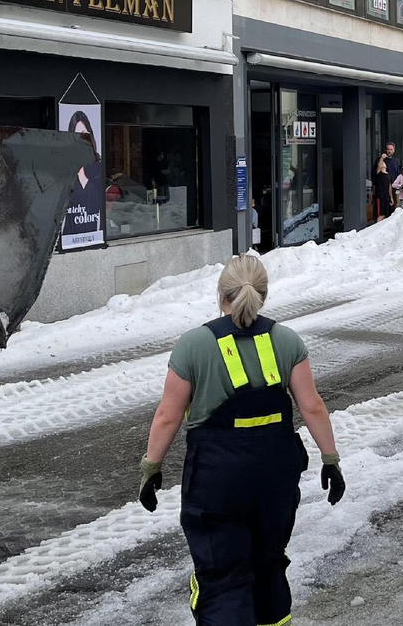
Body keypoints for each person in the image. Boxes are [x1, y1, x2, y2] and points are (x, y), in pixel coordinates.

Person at [138, 255, 345, 625]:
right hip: (275, 482)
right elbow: (312, 407)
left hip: (217, 482)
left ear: (222, 295)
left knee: (222, 578)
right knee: (269, 564)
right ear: (262, 295)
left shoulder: (193, 345)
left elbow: (168, 415)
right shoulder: (287, 341)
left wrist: (151, 468)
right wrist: (330, 460)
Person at [63, 111, 104, 239]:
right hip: (69, 240)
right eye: (77, 136)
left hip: (95, 238)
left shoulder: (99, 171)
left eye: (85, 135)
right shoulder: (65, 173)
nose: (82, 140)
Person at [372, 142, 401, 222]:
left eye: (391, 149)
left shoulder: (395, 162)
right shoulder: (380, 161)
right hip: (381, 193)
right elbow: (377, 170)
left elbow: (397, 177)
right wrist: (381, 158)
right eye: (388, 149)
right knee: (381, 214)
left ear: (394, 150)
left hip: (392, 191)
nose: (389, 151)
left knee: (391, 212)